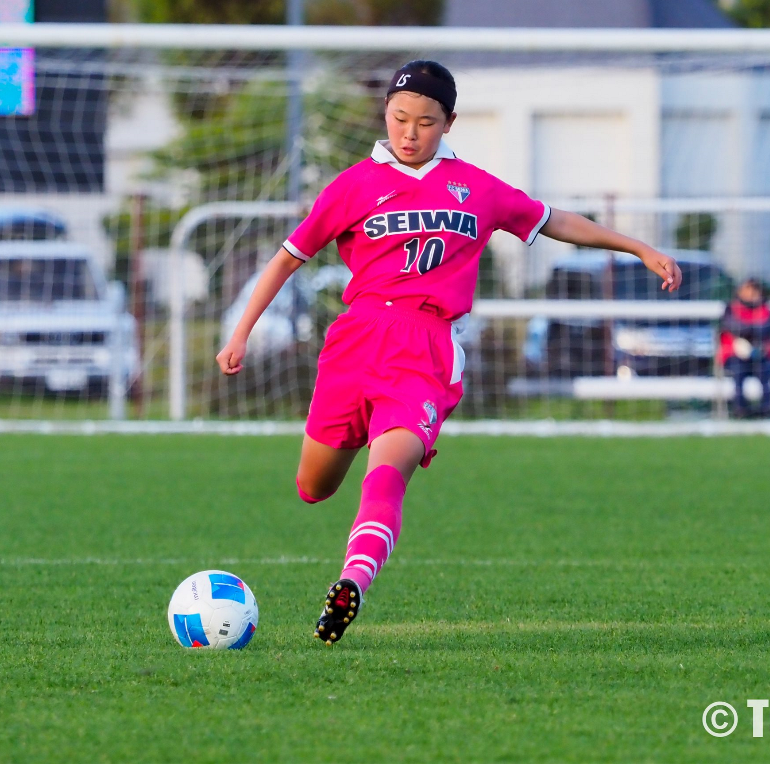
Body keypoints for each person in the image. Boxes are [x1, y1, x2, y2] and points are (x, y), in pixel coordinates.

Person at [216, 60, 682, 645]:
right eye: (400, 118)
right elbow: (289, 256)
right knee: (315, 486)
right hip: (355, 343)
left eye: (426, 122)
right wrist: (241, 334)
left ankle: (352, 582)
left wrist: (636, 246)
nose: (410, 132)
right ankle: (357, 443)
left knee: (388, 474)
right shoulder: (354, 184)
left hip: (425, 350)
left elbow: (552, 219)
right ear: (385, 114)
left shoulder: (478, 188)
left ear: (450, 122)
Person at [719, 278, 770, 418]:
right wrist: (752, 331)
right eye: (747, 289)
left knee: (766, 371)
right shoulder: (731, 308)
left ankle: (766, 409)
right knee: (738, 372)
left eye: (753, 290)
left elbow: (767, 328)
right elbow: (732, 326)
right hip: (734, 356)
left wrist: (749, 332)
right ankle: (740, 409)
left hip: (760, 354)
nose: (750, 293)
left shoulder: (766, 309)